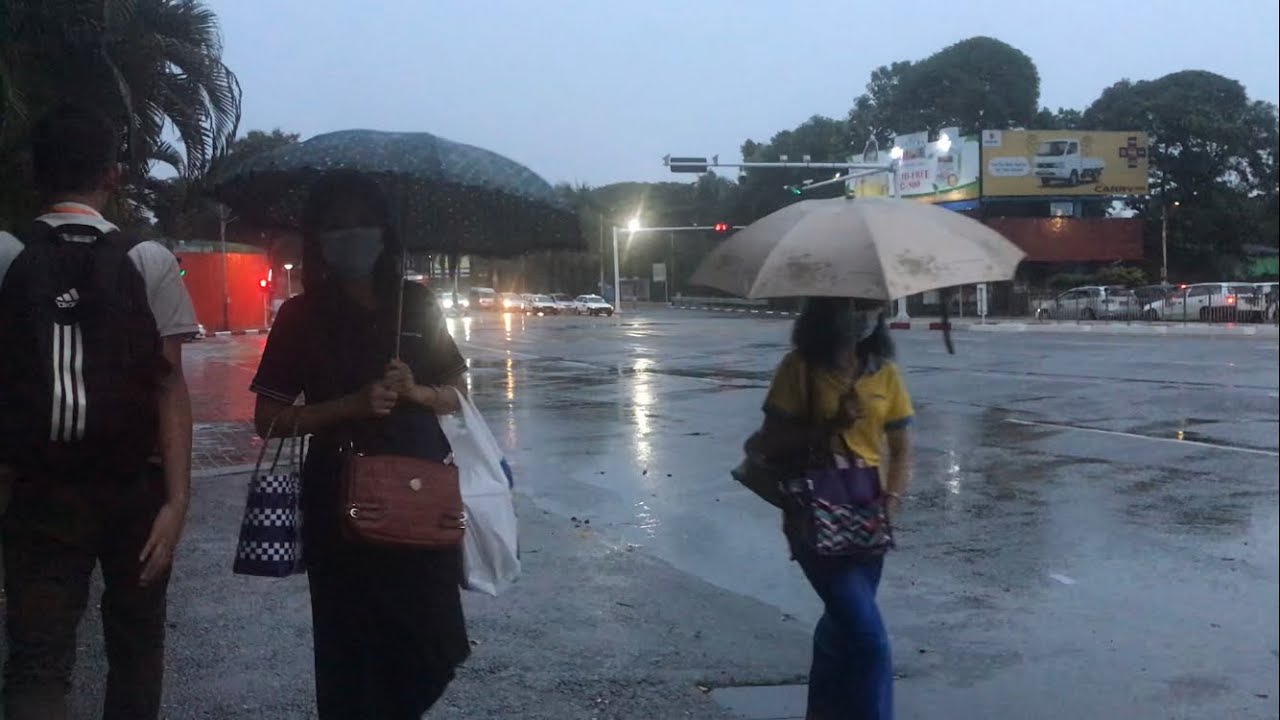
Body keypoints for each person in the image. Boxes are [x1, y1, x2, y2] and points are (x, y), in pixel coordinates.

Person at [248, 172, 470, 719]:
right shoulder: (300, 317)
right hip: (339, 510)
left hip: (422, 497)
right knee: (351, 656)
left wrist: (416, 391)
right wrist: (349, 405)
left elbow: (458, 395)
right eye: (336, 225)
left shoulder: (417, 303)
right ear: (318, 238)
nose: (351, 235)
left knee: (428, 646)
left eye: (363, 222)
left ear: (385, 232)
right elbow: (268, 419)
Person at [0, 105, 198, 719]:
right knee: (136, 649)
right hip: (134, 491)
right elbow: (169, 386)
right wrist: (177, 502)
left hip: (37, 492)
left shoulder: (6, 254)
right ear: (113, 175)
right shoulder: (148, 259)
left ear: (35, 172)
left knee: (38, 660)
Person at [753, 297, 913, 720]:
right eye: (853, 305)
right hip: (814, 517)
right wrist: (830, 426)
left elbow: (901, 450)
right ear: (827, 310)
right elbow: (769, 443)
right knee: (870, 640)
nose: (862, 315)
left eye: (871, 306)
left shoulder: (884, 373)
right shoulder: (799, 369)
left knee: (841, 628)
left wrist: (892, 501)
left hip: (868, 518)